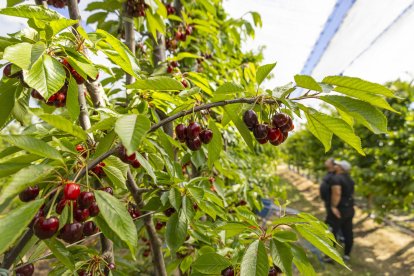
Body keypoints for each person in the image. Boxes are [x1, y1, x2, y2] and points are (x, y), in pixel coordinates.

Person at [327, 160, 355, 262]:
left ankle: (331, 256)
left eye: (337, 165)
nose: (335, 166)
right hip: (349, 209)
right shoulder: (350, 179)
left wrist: (334, 207)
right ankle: (347, 254)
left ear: (340, 168)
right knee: (348, 231)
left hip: (339, 209)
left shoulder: (336, 179)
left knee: (332, 232)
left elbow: (337, 193)